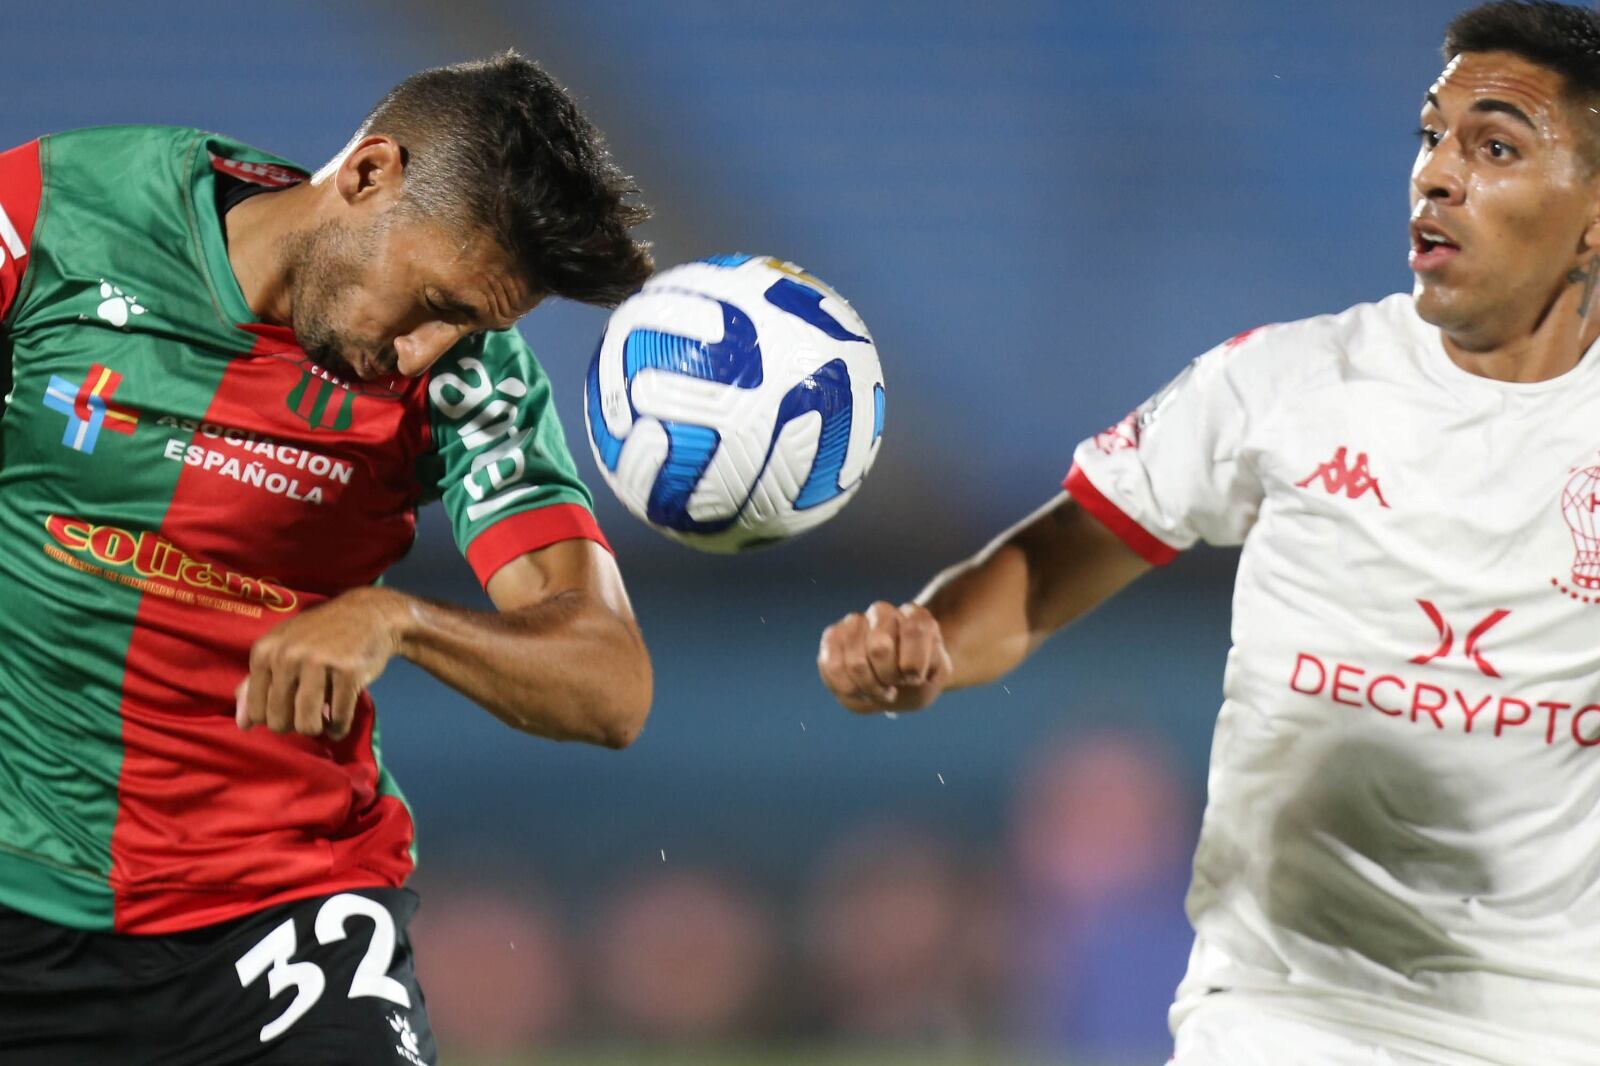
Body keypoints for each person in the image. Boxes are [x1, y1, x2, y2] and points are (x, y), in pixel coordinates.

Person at [818, 2, 1600, 1062]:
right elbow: (1044, 575)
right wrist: (930, 642)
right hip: (1279, 1023)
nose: (1435, 175)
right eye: (1430, 136)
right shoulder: (1284, 385)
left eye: (1495, 146)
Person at [0, 52, 654, 1065]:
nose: (420, 353)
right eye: (432, 299)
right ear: (366, 175)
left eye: (468, 323)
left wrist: (402, 619)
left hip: (279, 916)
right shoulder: (58, 213)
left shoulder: (470, 383)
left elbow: (609, 684)